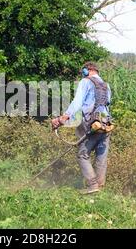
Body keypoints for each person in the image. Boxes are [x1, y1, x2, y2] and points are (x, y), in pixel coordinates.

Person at [52, 61, 112, 195]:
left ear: (87, 70)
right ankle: (100, 186)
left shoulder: (85, 82)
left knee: (82, 154)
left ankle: (92, 185)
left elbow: (77, 103)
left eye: (83, 72)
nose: (82, 74)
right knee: (101, 155)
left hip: (90, 122)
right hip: (106, 123)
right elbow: (108, 104)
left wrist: (64, 118)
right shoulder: (106, 85)